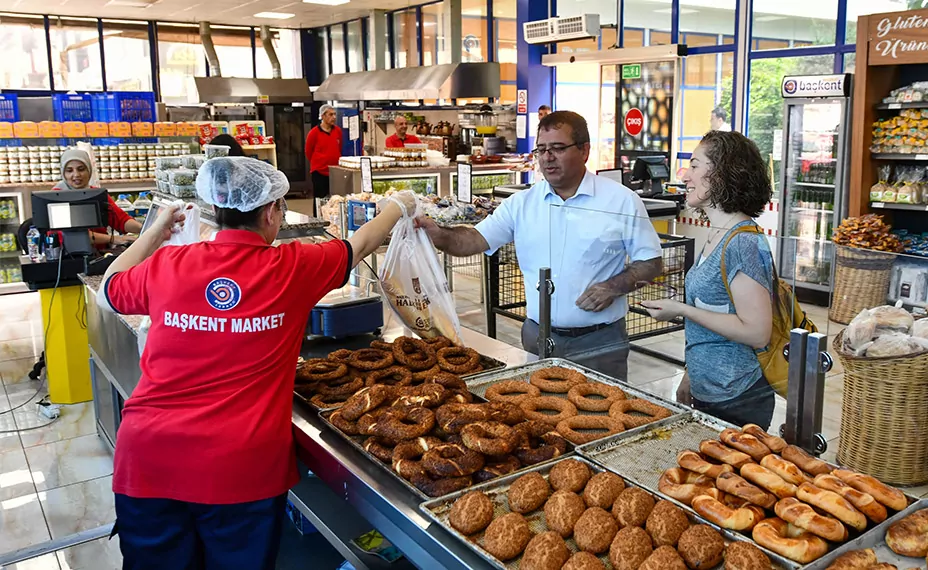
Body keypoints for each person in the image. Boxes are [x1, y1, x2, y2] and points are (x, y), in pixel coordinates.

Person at [96, 157, 415, 569]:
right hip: (240, 469)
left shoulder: (168, 264)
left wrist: (156, 231)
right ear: (269, 211)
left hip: (149, 459)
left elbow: (109, 289)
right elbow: (364, 243)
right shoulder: (292, 267)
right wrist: (399, 203)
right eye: (281, 208)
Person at [416, 111, 663, 380]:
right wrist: (438, 234)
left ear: (584, 150)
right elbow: (473, 239)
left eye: (557, 148)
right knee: (539, 415)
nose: (547, 157)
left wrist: (613, 287)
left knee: (601, 416)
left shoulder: (620, 201)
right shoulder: (522, 204)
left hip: (600, 342)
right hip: (537, 338)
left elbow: (651, 263)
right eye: (541, 149)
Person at [642, 131, 777, 429]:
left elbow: (756, 332)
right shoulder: (717, 234)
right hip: (710, 390)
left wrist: (682, 310)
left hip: (738, 397)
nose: (686, 176)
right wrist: (690, 375)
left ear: (722, 175)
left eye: (694, 165)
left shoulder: (743, 242)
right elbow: (714, 316)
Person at [53, 147, 142, 249]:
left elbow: (121, 220)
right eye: (69, 171)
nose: (76, 175)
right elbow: (75, 235)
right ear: (63, 173)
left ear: (89, 170)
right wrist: (114, 239)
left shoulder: (96, 194)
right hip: (67, 257)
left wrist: (145, 229)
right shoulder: (57, 197)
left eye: (81, 169)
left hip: (100, 253)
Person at [305, 104, 341, 202]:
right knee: (319, 200)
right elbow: (308, 151)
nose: (334, 117)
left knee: (334, 199)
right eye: (330, 115)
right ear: (323, 116)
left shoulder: (337, 131)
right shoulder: (314, 133)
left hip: (334, 171)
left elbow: (339, 147)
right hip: (319, 171)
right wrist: (319, 161)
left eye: (334, 114)